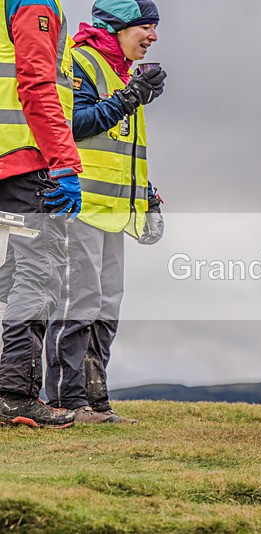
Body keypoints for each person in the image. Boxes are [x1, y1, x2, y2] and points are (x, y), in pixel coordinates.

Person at [44, 0, 166, 424]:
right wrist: (130, 98)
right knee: (80, 302)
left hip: (115, 213)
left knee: (108, 305)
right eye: (145, 27)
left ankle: (95, 402)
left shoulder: (124, 74)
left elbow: (118, 149)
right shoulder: (81, 61)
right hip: (78, 208)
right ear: (116, 26)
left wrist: (145, 194)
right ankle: (65, 402)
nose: (152, 36)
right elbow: (73, 124)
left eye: (154, 29)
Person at [0, 0, 83, 428]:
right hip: (22, 162)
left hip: (7, 161)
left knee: (14, 274)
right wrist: (64, 161)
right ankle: (15, 395)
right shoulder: (34, 4)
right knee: (36, 272)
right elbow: (36, 83)